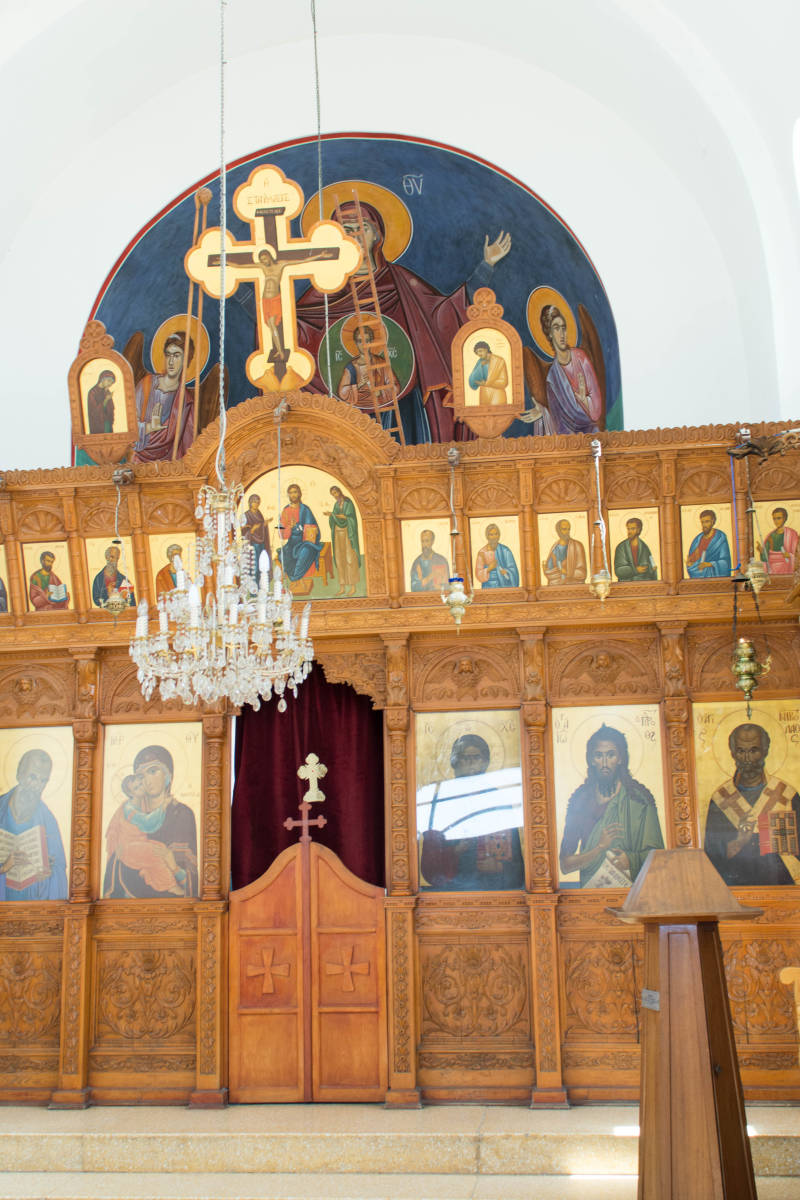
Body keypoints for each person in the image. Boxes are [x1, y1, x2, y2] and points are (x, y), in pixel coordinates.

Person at [296, 197, 512, 443]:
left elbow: (442, 317)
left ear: (377, 235)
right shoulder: (325, 292)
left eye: (362, 227)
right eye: (347, 230)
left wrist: (485, 266)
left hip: (401, 409)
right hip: (344, 418)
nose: (355, 235)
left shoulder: (401, 283)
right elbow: (297, 335)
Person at [559, 724, 664, 888]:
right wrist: (599, 848)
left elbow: (660, 859)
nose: (605, 763)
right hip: (590, 894)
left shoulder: (640, 800)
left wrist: (630, 860)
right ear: (591, 760)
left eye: (611, 755)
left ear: (620, 758)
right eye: (598, 756)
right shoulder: (580, 800)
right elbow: (565, 865)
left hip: (635, 895)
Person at [418, 734, 525, 890]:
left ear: (485, 762)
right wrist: (455, 852)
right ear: (455, 763)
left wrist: (499, 867)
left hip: (493, 890)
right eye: (464, 757)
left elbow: (517, 870)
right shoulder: (442, 800)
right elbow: (430, 866)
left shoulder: (498, 800)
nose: (471, 762)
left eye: (476, 757)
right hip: (451, 890)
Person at [704, 724, 800, 886]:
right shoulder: (721, 799)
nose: (747, 758)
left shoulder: (786, 795)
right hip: (735, 890)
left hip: (781, 888)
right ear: (732, 753)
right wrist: (739, 841)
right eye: (741, 751)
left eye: (754, 750)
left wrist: (780, 840)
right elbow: (711, 859)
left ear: (765, 751)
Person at [104, 745, 198, 899]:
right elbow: (114, 868)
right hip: (129, 901)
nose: (147, 780)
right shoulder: (130, 814)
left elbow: (194, 884)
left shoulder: (182, 814)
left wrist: (173, 866)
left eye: (153, 771)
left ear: (167, 774)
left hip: (175, 906)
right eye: (141, 776)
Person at [0, 749, 68, 901]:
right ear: (19, 774)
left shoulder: (48, 820)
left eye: (43, 780)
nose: (37, 785)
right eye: (33, 777)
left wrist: (47, 875)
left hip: (32, 903)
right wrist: (4, 867)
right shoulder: (1, 809)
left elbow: (59, 870)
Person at [133, 331, 195, 463]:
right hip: (139, 462)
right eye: (168, 355)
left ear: (186, 360)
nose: (171, 361)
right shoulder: (147, 385)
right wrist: (150, 427)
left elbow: (188, 445)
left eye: (176, 355)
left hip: (168, 465)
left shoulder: (186, 400)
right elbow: (128, 427)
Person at [539, 304, 602, 434]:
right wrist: (541, 412)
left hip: (592, 433)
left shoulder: (580, 358)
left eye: (563, 328)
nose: (562, 334)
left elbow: (596, 410)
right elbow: (558, 423)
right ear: (550, 334)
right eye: (556, 328)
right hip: (569, 440)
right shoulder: (552, 378)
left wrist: (584, 400)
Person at [337, 321, 400, 413]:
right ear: (356, 343)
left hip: (380, 407)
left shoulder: (381, 363)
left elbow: (395, 387)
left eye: (366, 341)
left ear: (371, 341)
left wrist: (380, 391)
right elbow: (342, 393)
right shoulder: (351, 367)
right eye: (360, 341)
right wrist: (359, 384)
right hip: (357, 410)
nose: (364, 345)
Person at [279, 484, 322, 584]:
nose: (293, 495)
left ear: (299, 494)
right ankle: (293, 578)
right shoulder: (285, 511)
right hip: (292, 543)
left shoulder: (305, 510)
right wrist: (290, 527)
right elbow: (282, 535)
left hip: (305, 542)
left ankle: (295, 578)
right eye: (290, 493)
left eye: (295, 492)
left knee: (305, 552)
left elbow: (312, 529)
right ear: (288, 495)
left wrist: (310, 530)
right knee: (283, 554)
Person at [324, 486, 360, 596]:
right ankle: (342, 587)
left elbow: (350, 518)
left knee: (350, 558)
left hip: (348, 533)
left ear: (339, 492)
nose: (335, 495)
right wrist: (332, 516)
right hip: (337, 533)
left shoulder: (348, 503)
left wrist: (333, 515)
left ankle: (353, 587)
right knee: (340, 559)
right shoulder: (336, 505)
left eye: (335, 493)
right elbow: (335, 519)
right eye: (333, 494)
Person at [685, 509, 731, 578]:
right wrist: (690, 564)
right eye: (702, 522)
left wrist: (709, 564)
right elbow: (692, 561)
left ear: (713, 521)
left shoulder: (720, 537)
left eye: (707, 522)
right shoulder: (697, 539)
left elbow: (725, 562)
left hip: (714, 575)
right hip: (698, 574)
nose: (704, 525)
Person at [542, 519, 587, 584]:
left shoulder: (577, 546)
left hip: (573, 584)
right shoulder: (554, 548)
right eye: (564, 529)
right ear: (558, 531)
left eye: (569, 529)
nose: (567, 532)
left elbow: (582, 573)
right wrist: (546, 570)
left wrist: (566, 572)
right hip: (555, 584)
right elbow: (550, 569)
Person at [475, 523, 519, 588]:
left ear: (499, 535)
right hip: (488, 587)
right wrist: (489, 568)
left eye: (496, 534)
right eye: (491, 535)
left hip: (504, 586)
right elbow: (478, 574)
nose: (494, 537)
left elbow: (513, 570)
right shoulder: (482, 553)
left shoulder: (505, 551)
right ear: (487, 536)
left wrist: (506, 571)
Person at [613, 517, 657, 581]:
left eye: (633, 529)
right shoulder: (621, 547)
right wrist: (636, 570)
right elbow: (618, 571)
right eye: (628, 529)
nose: (629, 532)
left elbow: (652, 567)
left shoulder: (644, 547)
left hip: (643, 582)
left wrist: (652, 569)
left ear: (639, 530)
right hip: (626, 583)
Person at [758, 507, 799, 576]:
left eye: (779, 518)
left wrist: (790, 555)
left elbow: (798, 554)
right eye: (774, 519)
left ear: (785, 518)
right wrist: (762, 552)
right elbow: (765, 559)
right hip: (772, 570)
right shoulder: (770, 536)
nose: (776, 521)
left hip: (787, 569)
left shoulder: (792, 534)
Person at [468, 341, 509, 405]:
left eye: (480, 351)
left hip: (497, 395)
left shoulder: (499, 361)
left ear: (486, 349)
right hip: (484, 395)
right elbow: (472, 380)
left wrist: (486, 383)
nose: (479, 354)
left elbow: (504, 382)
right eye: (477, 352)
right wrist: (480, 366)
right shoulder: (480, 362)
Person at [240, 494, 269, 585]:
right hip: (252, 544)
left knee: (261, 565)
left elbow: (261, 527)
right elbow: (244, 531)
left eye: (257, 502)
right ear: (250, 503)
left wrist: (264, 525)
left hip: (261, 543)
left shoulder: (259, 514)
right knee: (254, 566)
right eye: (254, 502)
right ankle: (253, 585)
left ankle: (261, 585)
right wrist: (252, 529)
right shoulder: (246, 515)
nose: (256, 504)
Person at [86, 369, 116, 434]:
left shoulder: (107, 391)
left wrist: (107, 395)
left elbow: (111, 408)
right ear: (102, 379)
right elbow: (93, 411)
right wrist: (106, 400)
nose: (110, 384)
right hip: (98, 425)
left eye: (112, 382)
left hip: (107, 423)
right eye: (109, 381)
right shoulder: (93, 392)